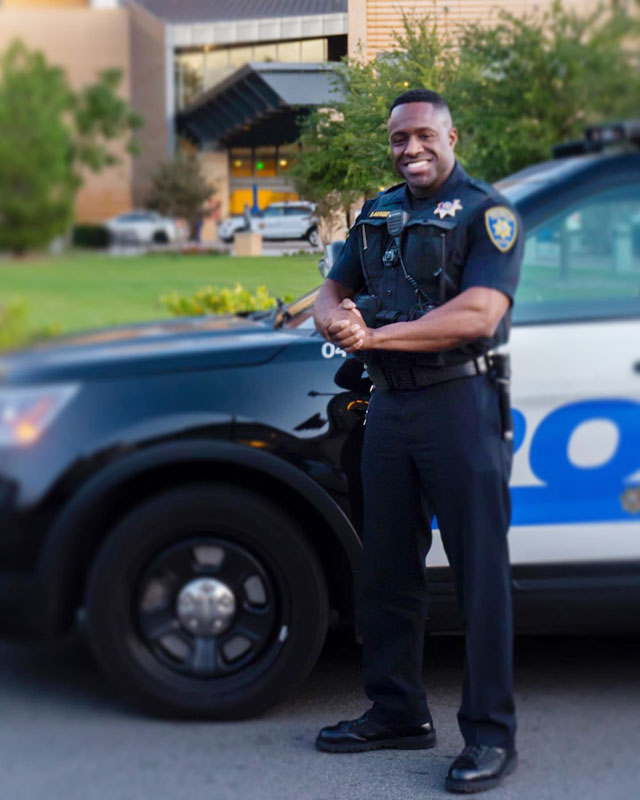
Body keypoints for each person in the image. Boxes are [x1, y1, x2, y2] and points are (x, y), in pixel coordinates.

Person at [312, 88, 523, 794]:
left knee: (480, 577)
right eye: (400, 138)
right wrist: (334, 316)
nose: (411, 149)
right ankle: (397, 711)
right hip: (389, 411)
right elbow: (333, 285)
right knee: (388, 573)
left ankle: (491, 735)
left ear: (451, 135)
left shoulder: (486, 213)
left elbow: (478, 312)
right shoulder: (378, 209)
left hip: (459, 404)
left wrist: (374, 335)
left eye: (424, 135)